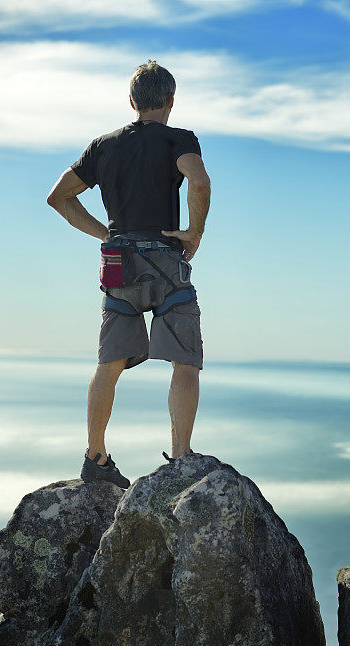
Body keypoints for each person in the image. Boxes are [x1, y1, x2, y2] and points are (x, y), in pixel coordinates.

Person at [47, 60, 211, 489]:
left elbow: (58, 197)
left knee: (109, 363)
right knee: (184, 362)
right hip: (165, 262)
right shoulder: (180, 139)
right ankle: (180, 460)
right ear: (171, 100)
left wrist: (105, 234)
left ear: (132, 101)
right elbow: (199, 181)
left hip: (120, 265)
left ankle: (95, 458)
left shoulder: (105, 145)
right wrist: (194, 233)